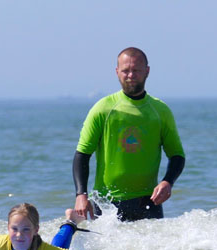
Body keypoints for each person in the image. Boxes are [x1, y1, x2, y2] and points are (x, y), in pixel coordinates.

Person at [73, 47, 185, 222]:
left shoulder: (160, 111)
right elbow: (82, 154)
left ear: (147, 71)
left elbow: (177, 155)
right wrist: (81, 194)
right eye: (126, 70)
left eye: (136, 70)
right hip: (106, 203)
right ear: (117, 72)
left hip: (149, 202)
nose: (131, 75)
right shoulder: (103, 109)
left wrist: (167, 182)